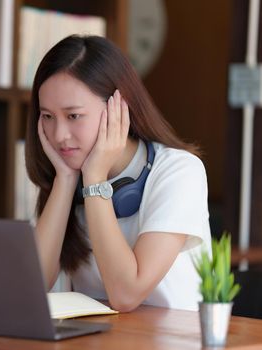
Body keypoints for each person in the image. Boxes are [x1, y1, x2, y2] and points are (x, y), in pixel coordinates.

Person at [25, 35, 211, 312]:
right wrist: (64, 181)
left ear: (118, 108)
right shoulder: (68, 175)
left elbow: (125, 295)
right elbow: (31, 288)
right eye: (48, 117)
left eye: (73, 116)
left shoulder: (179, 172)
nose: (60, 136)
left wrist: (95, 180)